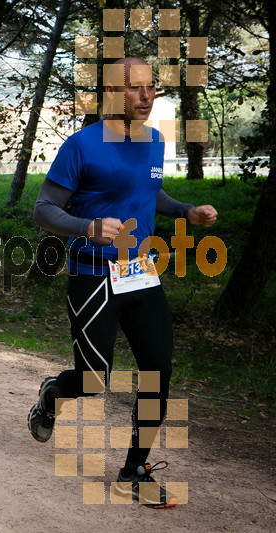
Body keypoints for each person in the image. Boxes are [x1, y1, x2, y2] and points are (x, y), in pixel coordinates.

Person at [26, 57, 218, 508]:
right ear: (111, 93)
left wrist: (185, 210)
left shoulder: (153, 140)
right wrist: (86, 227)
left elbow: (150, 191)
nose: (146, 97)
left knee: (159, 369)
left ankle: (135, 470)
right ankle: (54, 393)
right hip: (93, 276)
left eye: (151, 88)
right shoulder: (82, 145)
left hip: (140, 273)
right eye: (134, 89)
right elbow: (43, 208)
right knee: (94, 383)